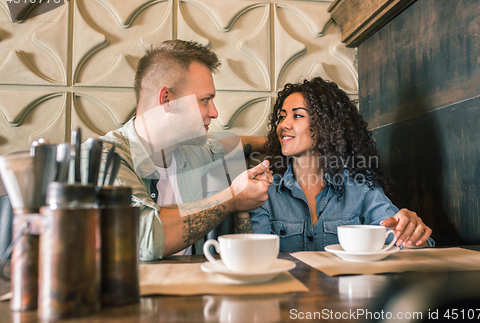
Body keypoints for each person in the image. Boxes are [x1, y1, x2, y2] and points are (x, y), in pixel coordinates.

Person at [81, 40, 271, 261]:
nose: (215, 112)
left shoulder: (192, 152)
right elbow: (146, 238)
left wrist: (275, 142)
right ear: (166, 99)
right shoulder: (102, 159)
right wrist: (232, 199)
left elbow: (228, 144)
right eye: (205, 100)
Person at [249, 77, 433, 252]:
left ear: (326, 125)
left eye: (297, 116)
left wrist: (410, 231)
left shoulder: (360, 187)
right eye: (282, 117)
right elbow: (254, 257)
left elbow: (407, 243)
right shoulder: (265, 192)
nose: (283, 125)